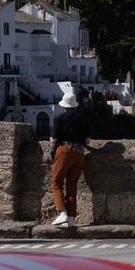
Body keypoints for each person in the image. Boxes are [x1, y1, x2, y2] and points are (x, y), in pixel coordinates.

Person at [48, 89, 91, 228]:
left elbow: (54, 139)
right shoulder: (83, 118)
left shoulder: (59, 118)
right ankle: (71, 217)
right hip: (79, 153)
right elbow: (88, 140)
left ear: (63, 106)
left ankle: (62, 212)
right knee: (72, 185)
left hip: (65, 151)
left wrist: (52, 146)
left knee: (56, 182)